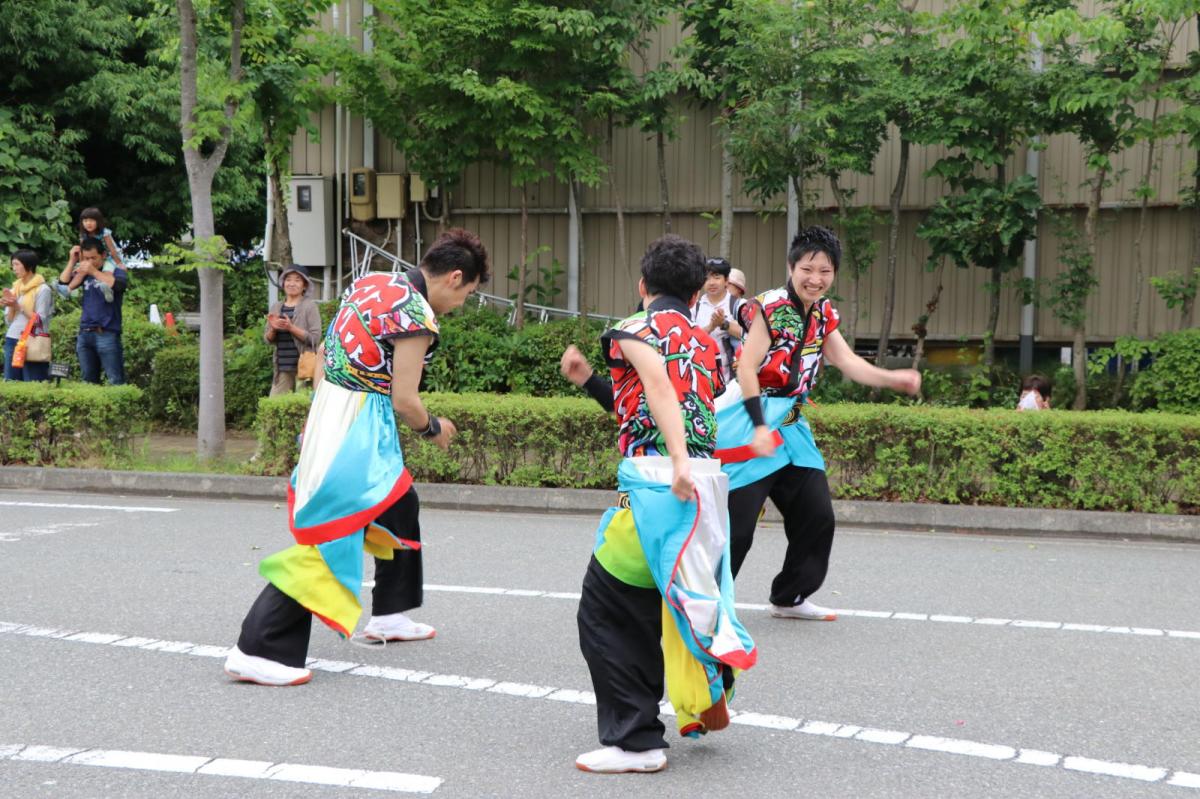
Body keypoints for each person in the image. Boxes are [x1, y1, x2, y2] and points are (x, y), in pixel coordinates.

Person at [225, 228, 489, 687]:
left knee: (399, 502)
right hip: (359, 429)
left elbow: (326, 353)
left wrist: (326, 412)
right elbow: (406, 399)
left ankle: (389, 614)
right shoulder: (415, 314)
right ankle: (257, 648)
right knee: (333, 537)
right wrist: (434, 428)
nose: (461, 303)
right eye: (467, 294)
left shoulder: (372, 283)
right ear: (455, 277)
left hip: (335, 410)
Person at [569, 235, 756, 775]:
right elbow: (643, 401)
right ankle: (707, 686)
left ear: (642, 286)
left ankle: (636, 740)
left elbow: (657, 389)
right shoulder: (702, 342)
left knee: (606, 610)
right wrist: (588, 382)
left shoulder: (635, 328)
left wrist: (673, 459)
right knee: (678, 597)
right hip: (704, 486)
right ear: (699, 291)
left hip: (658, 483)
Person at [717, 226, 921, 621]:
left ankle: (790, 596)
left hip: (792, 427)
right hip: (752, 422)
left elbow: (848, 362)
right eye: (808, 268)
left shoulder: (824, 313)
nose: (815, 279)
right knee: (737, 528)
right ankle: (707, 602)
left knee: (817, 515)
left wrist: (894, 379)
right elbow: (747, 368)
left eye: (825, 271)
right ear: (792, 266)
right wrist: (759, 426)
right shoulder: (768, 307)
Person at [56, 236, 127, 385]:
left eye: (93, 258)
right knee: (88, 381)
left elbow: (119, 286)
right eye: (86, 258)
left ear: (103, 255)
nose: (89, 262)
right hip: (85, 333)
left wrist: (93, 271)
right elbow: (63, 282)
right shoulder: (83, 274)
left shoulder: (115, 271)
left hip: (107, 333)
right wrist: (72, 261)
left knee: (115, 380)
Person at [265, 264, 323, 395]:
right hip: (282, 368)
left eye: (297, 280)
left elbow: (315, 338)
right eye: (288, 279)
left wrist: (291, 328)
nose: (292, 284)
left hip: (305, 367)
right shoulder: (276, 307)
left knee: (303, 409)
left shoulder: (310, 306)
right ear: (283, 283)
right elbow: (267, 339)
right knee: (276, 407)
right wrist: (273, 329)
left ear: (305, 285)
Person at [691, 257, 745, 383]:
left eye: (716, 277)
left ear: (726, 281)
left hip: (731, 382)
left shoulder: (739, 305)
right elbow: (689, 339)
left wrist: (724, 324)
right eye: (707, 278)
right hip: (701, 378)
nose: (711, 282)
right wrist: (711, 327)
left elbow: (750, 335)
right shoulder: (694, 307)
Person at [2, 250, 53, 382]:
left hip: (33, 341)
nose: (14, 268)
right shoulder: (15, 288)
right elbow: (9, 321)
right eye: (13, 265)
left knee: (33, 381)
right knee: (11, 382)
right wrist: (8, 305)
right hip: (13, 339)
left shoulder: (43, 289)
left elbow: (40, 320)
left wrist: (18, 306)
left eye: (17, 264)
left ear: (29, 266)